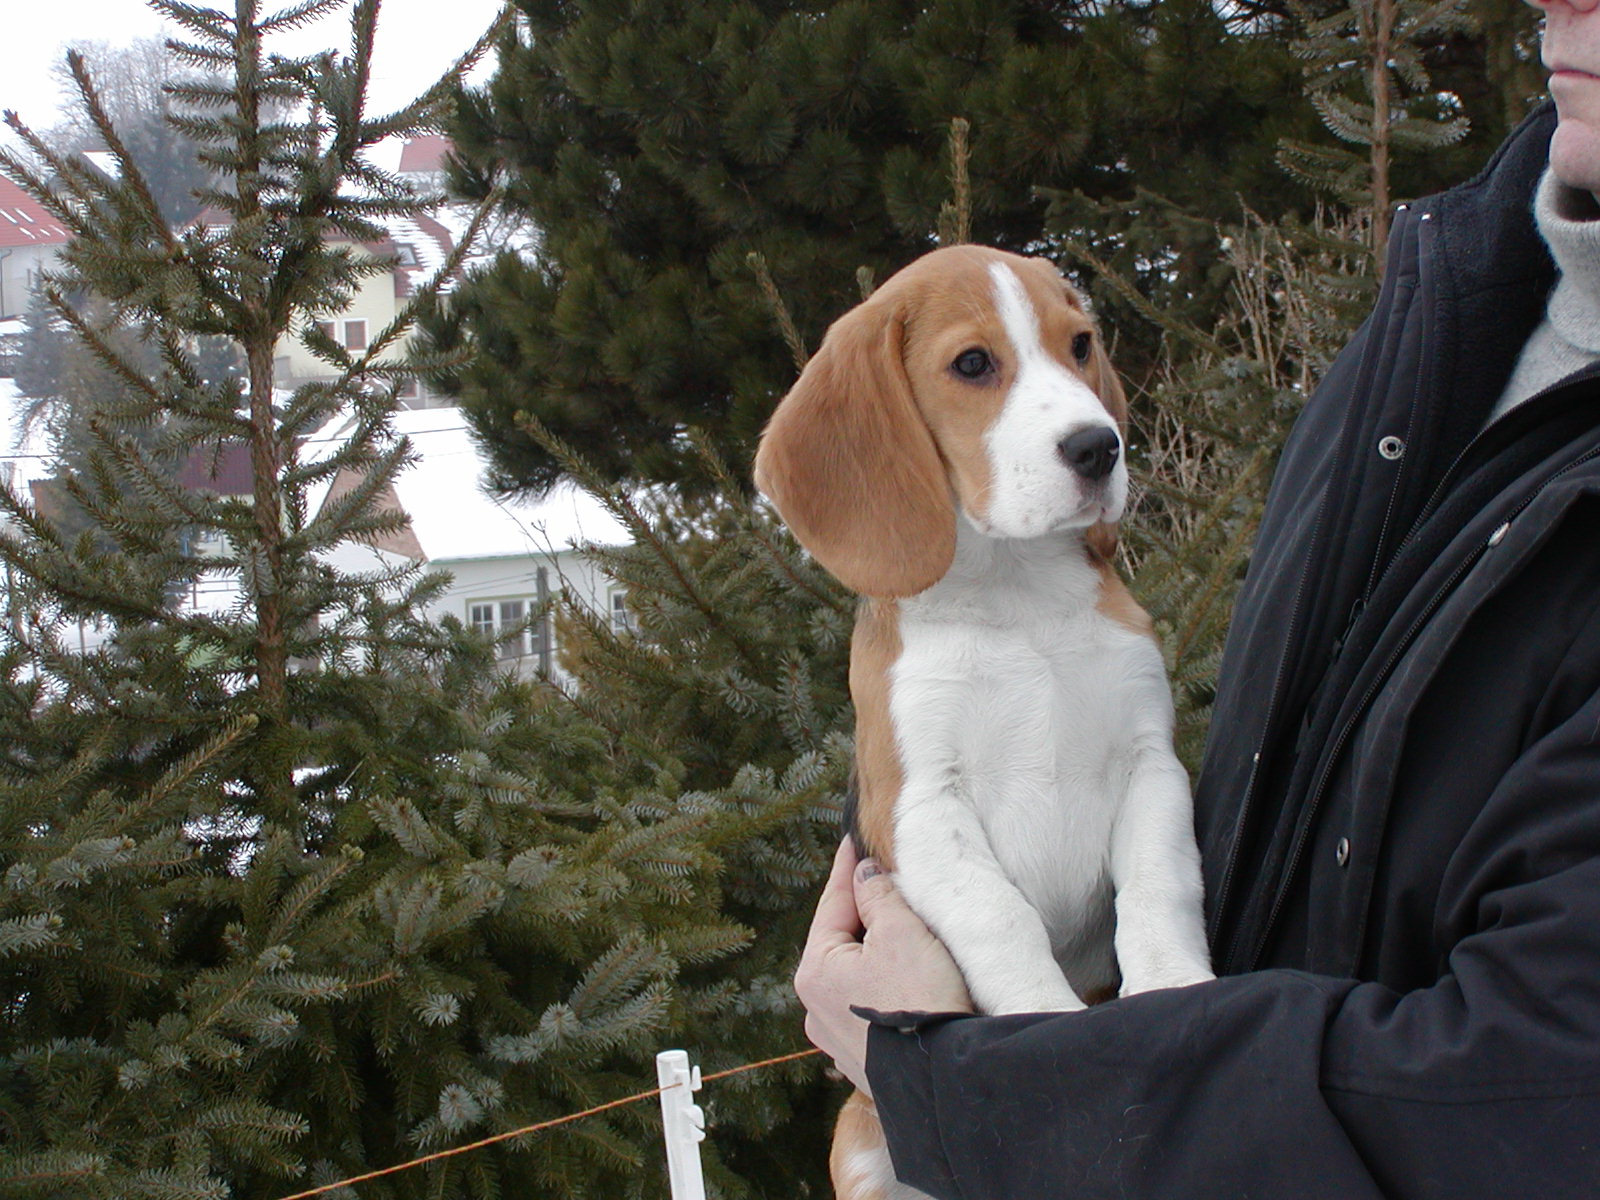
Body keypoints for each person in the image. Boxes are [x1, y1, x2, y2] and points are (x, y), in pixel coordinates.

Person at [793, 0, 1600, 1195]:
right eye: (978, 368)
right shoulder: (1433, 325)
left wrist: (1020, 1071)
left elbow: (1526, 1093)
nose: (1084, 410)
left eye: (1077, 353)